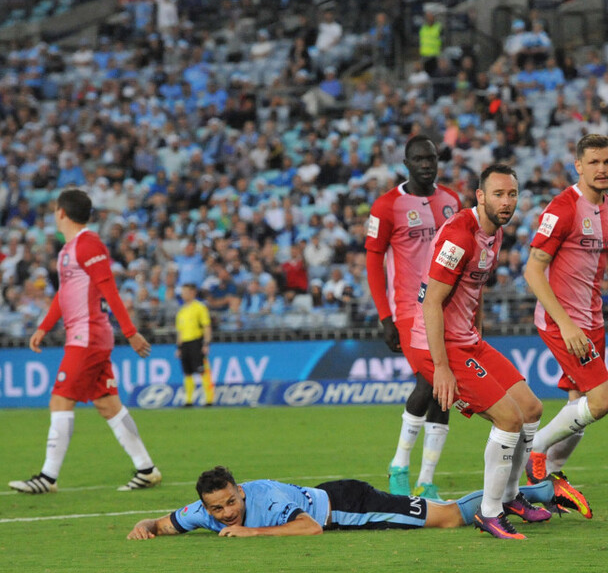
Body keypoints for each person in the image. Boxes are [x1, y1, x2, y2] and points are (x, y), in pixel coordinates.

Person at [405, 164, 549, 539]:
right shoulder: (459, 236)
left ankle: (512, 495)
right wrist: (440, 368)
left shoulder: (494, 233)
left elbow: (476, 287)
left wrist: (478, 336)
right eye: (499, 194)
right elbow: (431, 303)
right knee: (508, 419)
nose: (506, 202)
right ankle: (489, 512)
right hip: (437, 345)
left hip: (467, 339)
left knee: (531, 408)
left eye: (512, 194)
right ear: (480, 197)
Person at [9, 189, 162, 494]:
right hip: (85, 336)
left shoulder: (89, 244)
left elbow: (109, 290)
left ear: (61, 212)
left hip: (88, 336)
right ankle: (147, 468)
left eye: (55, 210)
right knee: (108, 406)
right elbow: (65, 295)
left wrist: (130, 332)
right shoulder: (69, 249)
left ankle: (47, 477)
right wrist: (44, 326)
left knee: (60, 399)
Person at [522, 134, 608, 520]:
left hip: (593, 320)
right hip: (563, 321)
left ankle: (549, 481)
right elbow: (533, 269)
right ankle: (536, 452)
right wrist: (565, 324)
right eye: (594, 162)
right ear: (578, 166)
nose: (602, 169)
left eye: (607, 161)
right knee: (603, 399)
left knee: (580, 407)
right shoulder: (562, 208)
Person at [365, 134, 463, 499]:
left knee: (444, 390)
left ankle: (427, 481)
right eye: (419, 159)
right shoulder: (386, 205)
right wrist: (384, 316)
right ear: (406, 163)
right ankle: (399, 465)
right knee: (428, 382)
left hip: (447, 309)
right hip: (408, 309)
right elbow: (374, 260)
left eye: (431, 158)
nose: (426, 164)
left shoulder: (452, 201)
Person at [127, 465, 556, 539]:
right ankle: (521, 497)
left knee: (446, 519)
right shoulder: (204, 511)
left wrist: (248, 531)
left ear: (239, 491)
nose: (225, 514)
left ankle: (542, 491)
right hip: (331, 495)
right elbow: (165, 523)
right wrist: (146, 525)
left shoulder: (267, 502)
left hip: (350, 505)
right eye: (217, 509)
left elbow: (309, 528)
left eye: (229, 503)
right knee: (440, 511)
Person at [175, 283, 214, 407]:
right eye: (182, 292)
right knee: (187, 373)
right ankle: (189, 400)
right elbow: (180, 332)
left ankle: (209, 399)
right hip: (185, 344)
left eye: (185, 291)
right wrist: (179, 347)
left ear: (193, 293)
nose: (183, 294)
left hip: (196, 342)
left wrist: (206, 343)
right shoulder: (181, 311)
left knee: (202, 371)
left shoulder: (200, 307)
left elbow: (206, 327)